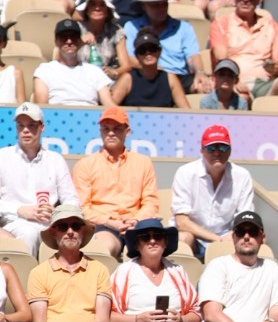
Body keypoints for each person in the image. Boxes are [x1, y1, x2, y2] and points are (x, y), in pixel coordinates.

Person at [28, 202, 131, 322]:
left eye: (76, 226)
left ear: (83, 232)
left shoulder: (99, 269)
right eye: (62, 226)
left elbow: (102, 320)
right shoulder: (39, 273)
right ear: (54, 232)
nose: (70, 231)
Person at [70, 106, 159, 258]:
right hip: (103, 226)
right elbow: (82, 208)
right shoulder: (85, 165)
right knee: (105, 247)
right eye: (106, 128)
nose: (111, 133)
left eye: (117, 128)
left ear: (127, 131)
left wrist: (135, 221)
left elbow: (151, 202)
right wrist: (111, 222)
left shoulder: (143, 163)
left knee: (156, 248)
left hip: (138, 225)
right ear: (100, 131)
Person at [0, 100, 75, 254]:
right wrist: (20, 210)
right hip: (13, 222)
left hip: (50, 223)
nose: (25, 130)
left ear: (42, 127)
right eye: (21, 125)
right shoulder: (2, 157)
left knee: (86, 238)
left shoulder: (55, 159)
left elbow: (72, 199)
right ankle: (24, 278)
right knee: (29, 233)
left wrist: (57, 212)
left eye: (31, 125)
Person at [172, 125, 254, 254]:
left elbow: (246, 218)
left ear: (230, 150)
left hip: (227, 237)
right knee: (183, 238)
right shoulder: (185, 173)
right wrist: (217, 239)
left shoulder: (242, 176)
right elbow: (181, 222)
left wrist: (232, 236)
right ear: (202, 150)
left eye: (222, 147)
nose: (217, 153)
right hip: (194, 236)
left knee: (257, 240)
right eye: (211, 148)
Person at [208, 0, 278, 99]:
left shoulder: (270, 25)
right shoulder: (220, 23)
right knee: (243, 98)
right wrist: (236, 81)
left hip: (265, 83)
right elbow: (222, 59)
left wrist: (274, 68)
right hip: (233, 81)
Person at [33, 16, 113, 107]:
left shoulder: (94, 71)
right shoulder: (44, 71)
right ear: (56, 41)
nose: (69, 41)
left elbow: (109, 105)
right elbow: (41, 107)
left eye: (73, 36)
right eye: (63, 37)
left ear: (79, 41)